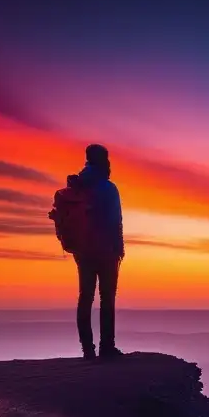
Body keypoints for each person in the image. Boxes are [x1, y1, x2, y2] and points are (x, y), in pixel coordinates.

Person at [53, 144, 125, 360]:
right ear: (104, 161)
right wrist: (119, 247)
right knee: (107, 298)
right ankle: (107, 348)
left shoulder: (78, 186)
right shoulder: (108, 188)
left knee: (85, 297)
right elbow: (115, 221)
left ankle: (88, 351)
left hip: (82, 250)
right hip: (105, 249)